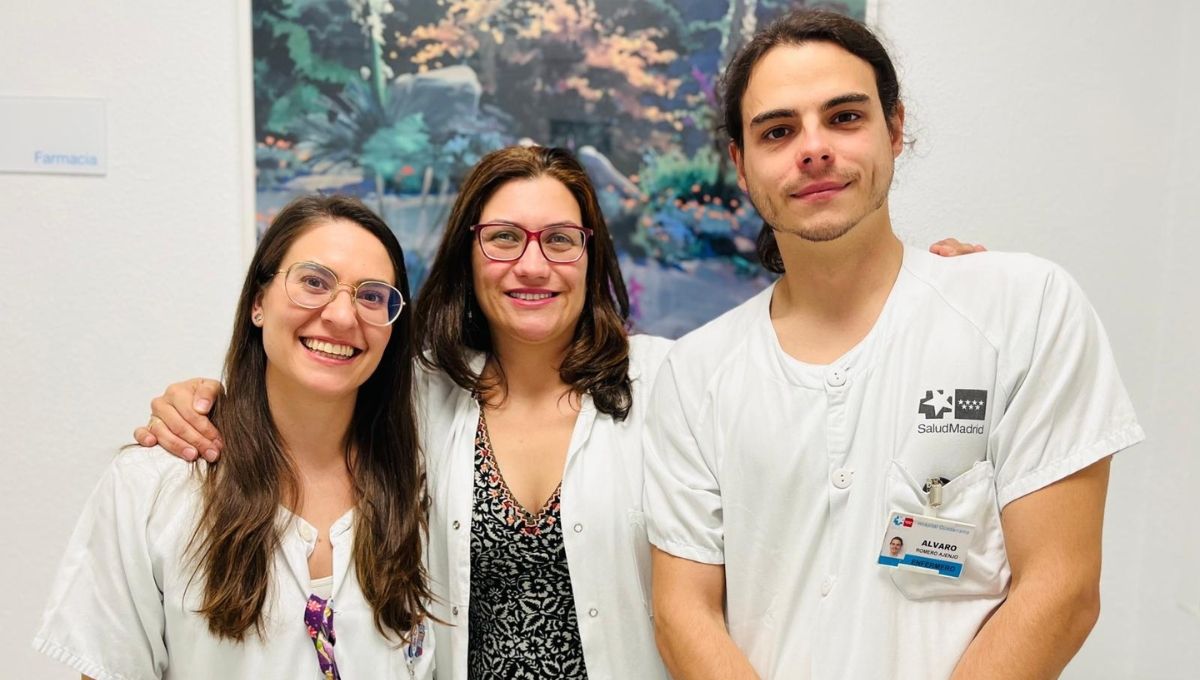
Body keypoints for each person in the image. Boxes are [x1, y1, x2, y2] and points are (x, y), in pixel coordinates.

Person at [131, 148, 983, 678]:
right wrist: (202, 400)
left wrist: (919, 293)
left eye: (559, 240)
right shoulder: (418, 392)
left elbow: (821, 407)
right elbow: (306, 389)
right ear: (469, 252)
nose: (530, 264)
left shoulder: (675, 383)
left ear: (590, 257)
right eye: (503, 237)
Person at [643, 9, 1144, 680]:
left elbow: (1061, 590)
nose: (813, 148)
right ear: (740, 161)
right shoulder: (695, 373)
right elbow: (684, 614)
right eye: (778, 130)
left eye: (844, 118)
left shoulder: (1022, 310)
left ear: (895, 128)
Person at [34, 196, 434, 679]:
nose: (342, 317)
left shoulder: (420, 486)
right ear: (258, 303)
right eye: (313, 282)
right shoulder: (154, 484)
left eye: (371, 296)